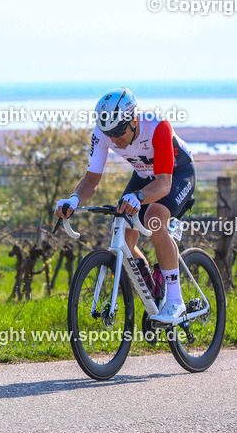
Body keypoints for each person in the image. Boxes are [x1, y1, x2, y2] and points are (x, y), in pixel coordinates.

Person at [55, 88, 195, 325]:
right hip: (144, 174)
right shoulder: (102, 133)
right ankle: (151, 286)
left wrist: (138, 197)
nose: (115, 139)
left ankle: (175, 299)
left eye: (119, 132)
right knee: (122, 231)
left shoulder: (157, 127)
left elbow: (163, 184)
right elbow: (91, 179)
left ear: (134, 120)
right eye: (109, 134)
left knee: (154, 219)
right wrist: (74, 199)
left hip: (176, 173)